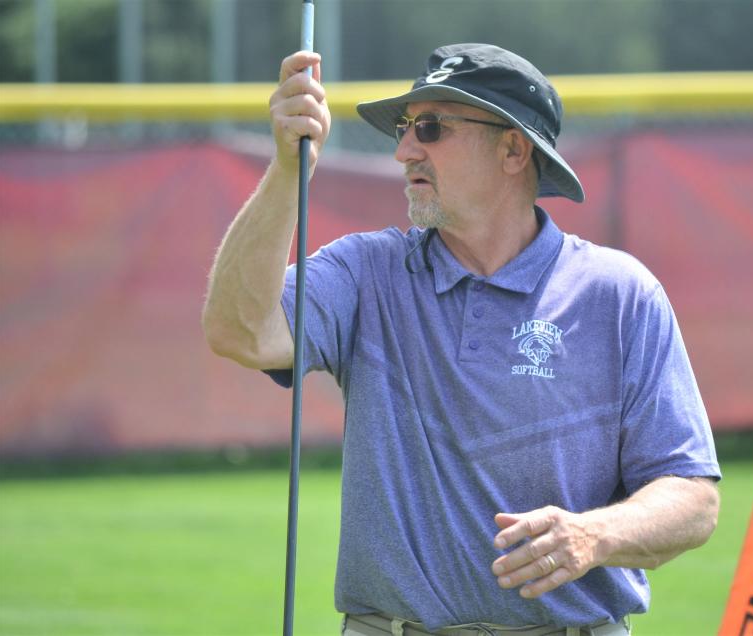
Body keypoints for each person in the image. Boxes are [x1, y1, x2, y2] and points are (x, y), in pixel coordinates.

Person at [203, 43, 721, 636]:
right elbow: (239, 331)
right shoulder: (366, 272)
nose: (403, 151)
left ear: (513, 149)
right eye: (405, 128)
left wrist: (593, 536)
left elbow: (692, 499)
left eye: (431, 127)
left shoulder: (621, 293)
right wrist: (286, 172)